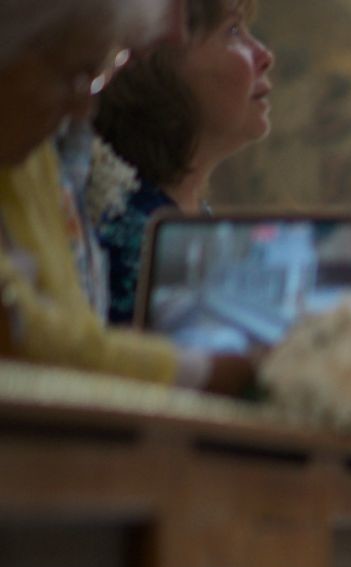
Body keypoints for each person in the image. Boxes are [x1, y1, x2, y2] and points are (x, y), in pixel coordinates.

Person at [0, 0, 255, 393]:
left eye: (94, 75)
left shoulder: (32, 158)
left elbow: (71, 326)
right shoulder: (129, 222)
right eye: (70, 74)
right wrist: (218, 374)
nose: (82, 105)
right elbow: (19, 330)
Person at [91, 0, 274, 324]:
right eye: (232, 30)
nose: (264, 55)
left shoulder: (187, 217)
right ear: (152, 65)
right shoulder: (131, 240)